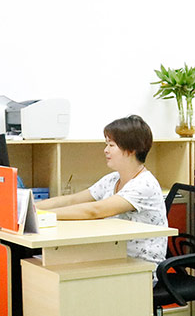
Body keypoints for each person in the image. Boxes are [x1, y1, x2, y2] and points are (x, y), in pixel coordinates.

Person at [37, 115, 168, 269]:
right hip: (112, 254)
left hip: (141, 266)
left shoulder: (144, 185)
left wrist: (42, 216)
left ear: (131, 149)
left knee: (61, 268)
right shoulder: (112, 179)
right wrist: (32, 208)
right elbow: (72, 200)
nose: (106, 150)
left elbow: (95, 210)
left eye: (111, 145)